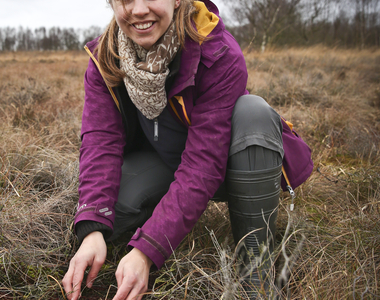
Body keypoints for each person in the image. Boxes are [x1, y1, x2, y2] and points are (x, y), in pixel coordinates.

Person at [61, 0, 313, 299]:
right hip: (166, 162)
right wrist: (91, 232)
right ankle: (163, 220)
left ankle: (255, 272)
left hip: (226, 165)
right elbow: (100, 141)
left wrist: (147, 251)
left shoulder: (217, 51)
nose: (139, 10)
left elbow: (203, 164)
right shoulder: (105, 56)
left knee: (253, 112)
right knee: (110, 214)